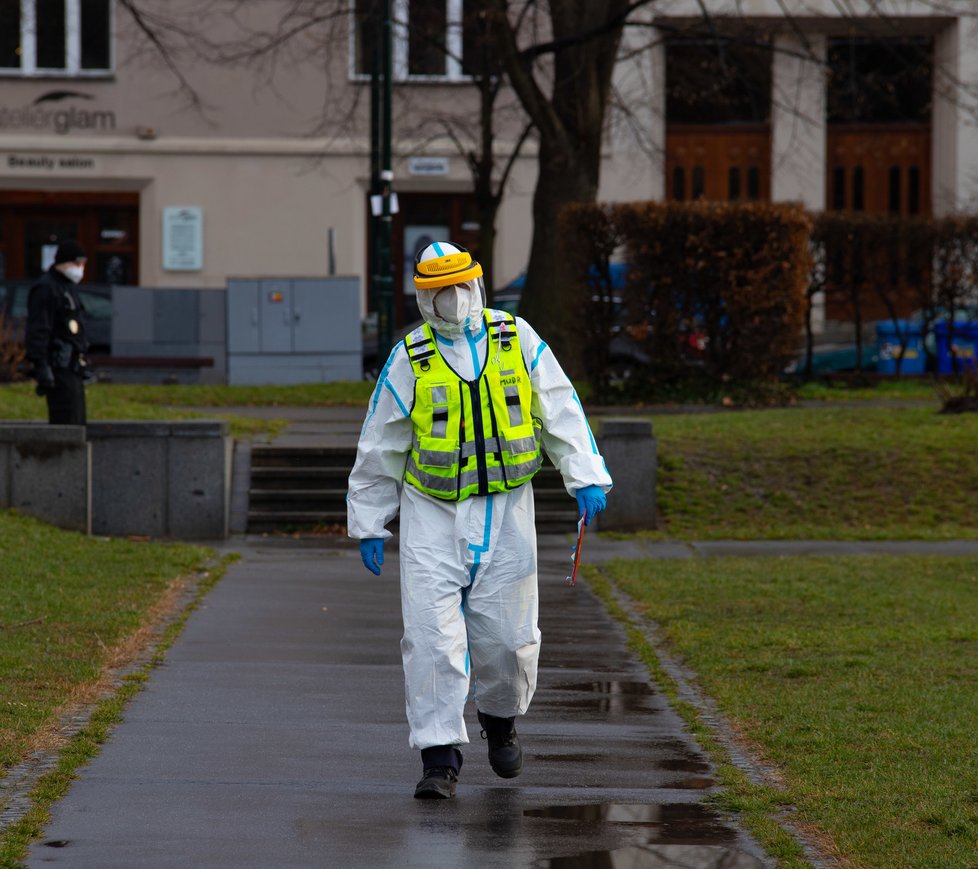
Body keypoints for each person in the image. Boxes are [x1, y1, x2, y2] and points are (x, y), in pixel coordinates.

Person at [347, 241, 612, 799]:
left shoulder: (517, 340)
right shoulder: (410, 358)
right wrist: (371, 518)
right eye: (438, 291)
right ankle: (438, 758)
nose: (451, 299)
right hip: (431, 515)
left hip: (509, 511)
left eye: (459, 287)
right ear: (423, 296)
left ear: (477, 285)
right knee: (430, 637)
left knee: (509, 638)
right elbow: (381, 444)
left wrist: (583, 472)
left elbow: (559, 405)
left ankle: (500, 721)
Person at [25, 239, 94, 425]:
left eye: (83, 264)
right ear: (63, 263)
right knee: (65, 421)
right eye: (77, 263)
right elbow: (39, 330)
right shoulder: (46, 288)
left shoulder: (67, 287)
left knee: (77, 422)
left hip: (73, 367)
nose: (80, 268)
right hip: (58, 366)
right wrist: (41, 366)